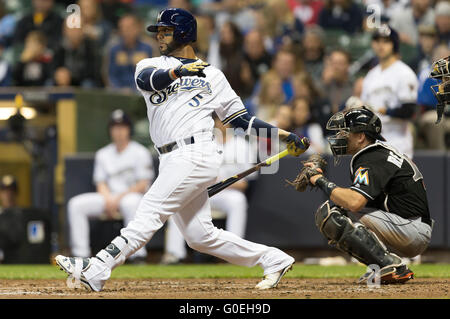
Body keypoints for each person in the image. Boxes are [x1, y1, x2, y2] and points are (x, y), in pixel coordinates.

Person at [55, 7, 309, 292]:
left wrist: (285, 136)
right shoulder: (150, 64)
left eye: (166, 31)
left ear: (185, 33)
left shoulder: (213, 75)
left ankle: (98, 268)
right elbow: (147, 81)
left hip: (195, 153)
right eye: (159, 31)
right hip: (170, 157)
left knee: (148, 212)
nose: (160, 36)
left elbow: (241, 120)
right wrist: (177, 71)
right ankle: (273, 259)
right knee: (200, 236)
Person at [305, 106, 433, 284]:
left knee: (332, 215)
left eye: (345, 132)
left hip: (411, 229)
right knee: (338, 210)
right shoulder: (377, 153)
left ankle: (389, 264)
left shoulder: (371, 157)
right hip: (408, 225)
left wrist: (320, 180)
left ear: (360, 136)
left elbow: (355, 202)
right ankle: (380, 266)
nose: (340, 136)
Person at [161, 116, 257, 264]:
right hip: (203, 191)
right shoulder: (203, 144)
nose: (221, 124)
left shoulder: (242, 145)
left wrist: (223, 181)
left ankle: (233, 254)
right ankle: (174, 254)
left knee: (238, 201)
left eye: (224, 121)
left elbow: (244, 184)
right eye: (218, 121)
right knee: (179, 204)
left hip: (227, 192)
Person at [66, 109, 154, 262]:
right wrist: (108, 199)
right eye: (115, 128)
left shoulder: (140, 152)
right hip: (109, 196)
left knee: (130, 204)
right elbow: (101, 182)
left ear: (129, 129)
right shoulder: (103, 153)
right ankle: (81, 254)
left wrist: (117, 199)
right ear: (110, 130)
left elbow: (143, 184)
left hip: (131, 196)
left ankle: (137, 255)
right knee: (76, 204)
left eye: (122, 127)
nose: (118, 131)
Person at [360, 25, 418, 158]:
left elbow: (409, 111)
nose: (381, 45)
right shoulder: (371, 75)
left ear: (394, 45)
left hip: (397, 139)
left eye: (386, 41)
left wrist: (385, 111)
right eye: (377, 41)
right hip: (373, 140)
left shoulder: (404, 73)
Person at [105, 14, 153, 91]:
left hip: (140, 91)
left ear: (137, 28)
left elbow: (149, 76)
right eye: (122, 28)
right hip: (117, 91)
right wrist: (118, 89)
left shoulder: (147, 48)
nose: (125, 31)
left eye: (128, 28)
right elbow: (110, 75)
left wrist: (133, 89)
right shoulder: (114, 49)